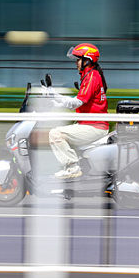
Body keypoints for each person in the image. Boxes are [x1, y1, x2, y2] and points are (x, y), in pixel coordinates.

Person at [48, 43, 109, 179]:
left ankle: (72, 168)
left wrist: (55, 95)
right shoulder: (90, 76)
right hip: (91, 124)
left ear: (87, 60)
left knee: (55, 134)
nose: (76, 63)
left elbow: (76, 102)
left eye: (78, 59)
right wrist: (57, 103)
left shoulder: (92, 77)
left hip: (94, 126)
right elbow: (80, 104)